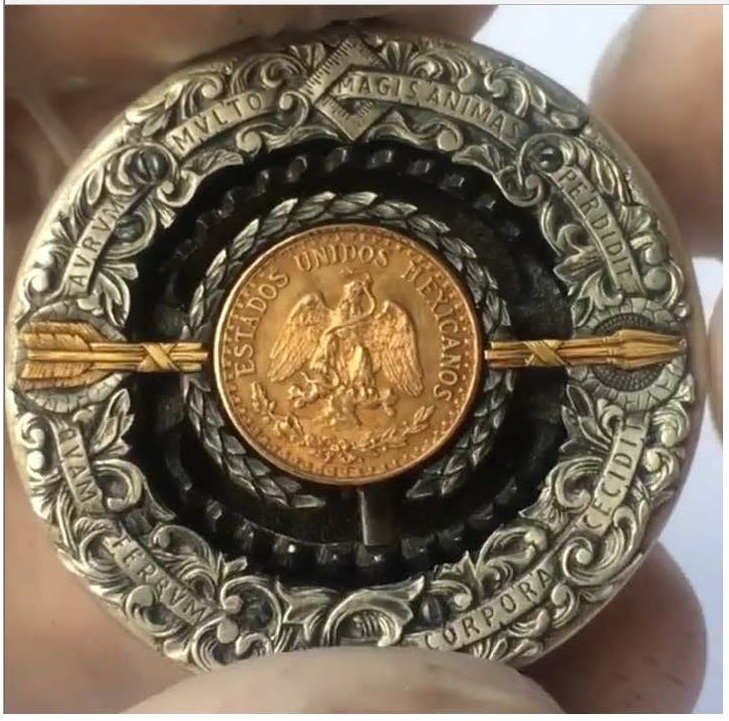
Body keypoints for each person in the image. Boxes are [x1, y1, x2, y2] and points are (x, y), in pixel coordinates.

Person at [5, 5, 722, 713]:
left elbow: (645, 350)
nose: (352, 292)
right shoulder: (319, 318)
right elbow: (54, 362)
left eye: (356, 289)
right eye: (348, 288)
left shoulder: (384, 317)